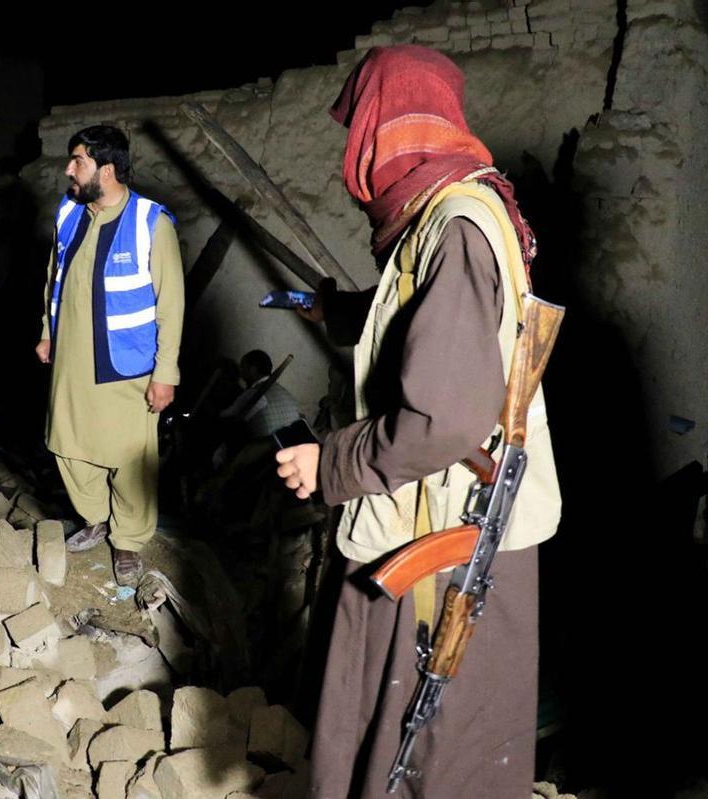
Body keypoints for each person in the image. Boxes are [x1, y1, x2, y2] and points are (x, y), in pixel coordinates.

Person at [274, 46, 561, 798]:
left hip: (448, 541)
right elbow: (421, 316)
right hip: (431, 516)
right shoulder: (444, 212)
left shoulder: (456, 226)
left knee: (429, 747)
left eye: (360, 129)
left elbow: (446, 416)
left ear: (387, 129)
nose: (353, 152)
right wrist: (336, 310)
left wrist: (327, 463)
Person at [35, 125, 185, 586]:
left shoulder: (150, 223)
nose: (68, 170)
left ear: (108, 168)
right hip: (70, 364)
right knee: (67, 445)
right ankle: (95, 519)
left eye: (77, 161)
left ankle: (128, 541)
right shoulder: (68, 214)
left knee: (130, 459)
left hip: (126, 365)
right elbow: (52, 281)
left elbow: (172, 303)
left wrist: (166, 372)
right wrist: (47, 332)